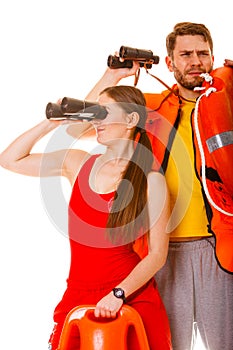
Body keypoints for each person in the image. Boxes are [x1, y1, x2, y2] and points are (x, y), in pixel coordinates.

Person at [79, 22, 233, 350]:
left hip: (217, 250)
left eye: (202, 53)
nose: (195, 61)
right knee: (165, 344)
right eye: (186, 54)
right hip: (158, 254)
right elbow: (83, 127)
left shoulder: (227, 106)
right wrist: (111, 79)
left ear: (212, 57)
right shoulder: (152, 109)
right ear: (170, 62)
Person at [0, 85, 172, 349]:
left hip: (130, 296)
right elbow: (10, 159)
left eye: (104, 112)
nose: (97, 120)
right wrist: (50, 123)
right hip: (78, 296)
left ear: (130, 119)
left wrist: (118, 294)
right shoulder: (77, 162)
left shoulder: (152, 180)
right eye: (95, 113)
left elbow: (158, 254)